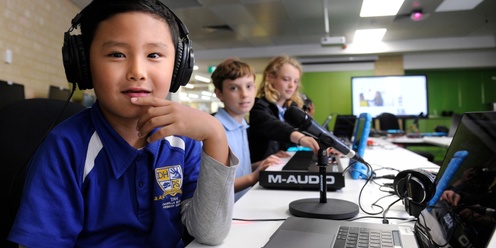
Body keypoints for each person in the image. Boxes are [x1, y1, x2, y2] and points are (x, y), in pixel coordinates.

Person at [8, 1, 238, 247]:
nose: (137, 71)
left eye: (154, 55)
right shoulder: (65, 147)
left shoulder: (183, 141)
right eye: (117, 54)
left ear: (179, 67)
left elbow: (210, 232)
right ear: (84, 65)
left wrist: (216, 135)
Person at [211, 58, 282, 201]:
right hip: (225, 216)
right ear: (219, 94)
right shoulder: (215, 130)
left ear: (255, 88)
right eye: (234, 88)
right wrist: (254, 177)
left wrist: (262, 164)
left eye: (249, 86)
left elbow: (237, 170)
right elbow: (215, 188)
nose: (244, 94)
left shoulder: (242, 123)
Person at [248, 55, 320, 162]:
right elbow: (276, 127)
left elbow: (306, 132)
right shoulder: (258, 108)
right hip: (260, 172)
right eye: (286, 79)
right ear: (271, 78)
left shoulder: (291, 109)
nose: (292, 85)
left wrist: (327, 144)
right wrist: (300, 138)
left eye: (295, 81)